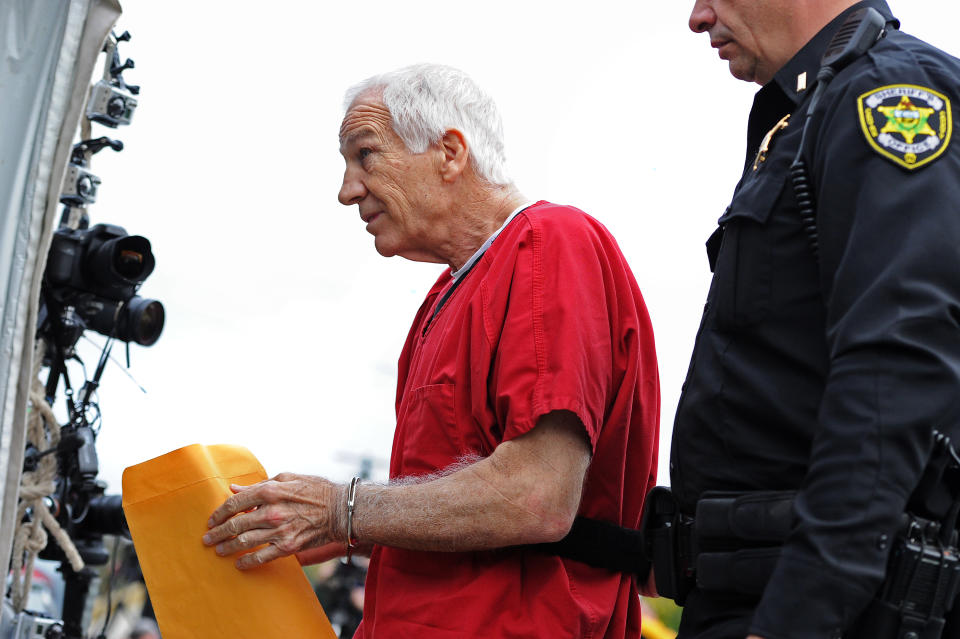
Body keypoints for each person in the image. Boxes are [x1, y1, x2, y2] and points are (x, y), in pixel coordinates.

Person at [202, 64, 660, 638]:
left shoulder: (550, 240)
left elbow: (535, 498)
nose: (347, 191)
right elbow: (466, 501)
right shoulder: (447, 292)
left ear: (449, 151)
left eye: (364, 155)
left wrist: (341, 510)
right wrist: (333, 525)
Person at [671, 1, 960, 638]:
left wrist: (796, 616)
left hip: (814, 608)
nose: (697, 16)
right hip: (750, 591)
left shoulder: (888, 95)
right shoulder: (811, 110)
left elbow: (895, 368)